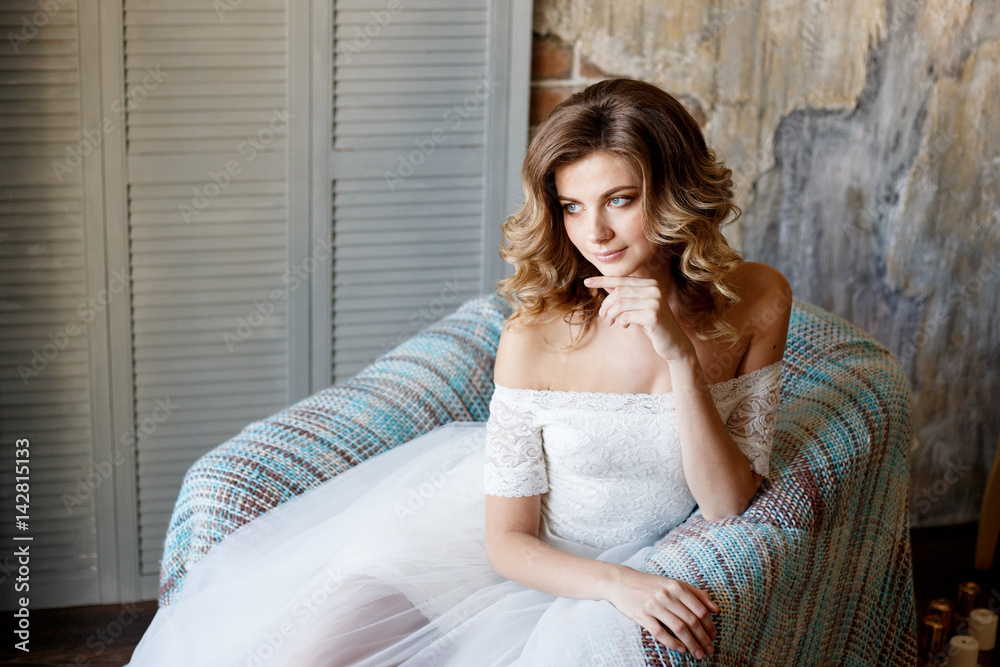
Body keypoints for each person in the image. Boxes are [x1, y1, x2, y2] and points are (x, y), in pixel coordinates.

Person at [126, 77, 792, 666]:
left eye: (620, 199)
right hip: (488, 544)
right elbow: (506, 541)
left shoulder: (757, 299)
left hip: (611, 571)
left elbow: (728, 501)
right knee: (310, 653)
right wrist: (615, 584)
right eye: (572, 206)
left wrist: (677, 355)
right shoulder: (534, 337)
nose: (596, 233)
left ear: (675, 192)